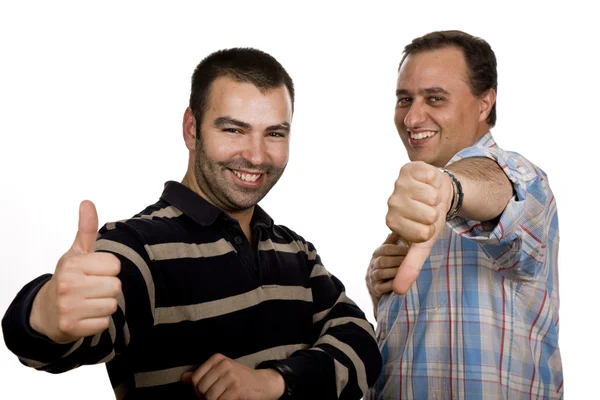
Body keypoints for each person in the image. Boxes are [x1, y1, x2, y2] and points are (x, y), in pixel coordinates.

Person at [2, 47, 382, 399]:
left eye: (274, 134)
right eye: (233, 129)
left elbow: (363, 346)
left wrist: (274, 381)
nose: (255, 155)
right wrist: (46, 315)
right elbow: (58, 337)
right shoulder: (137, 247)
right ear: (191, 129)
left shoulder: (295, 251)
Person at [365, 31, 563, 399]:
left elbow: (495, 186)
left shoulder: (523, 180)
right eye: (404, 99)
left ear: (485, 103)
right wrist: (382, 299)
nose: (411, 117)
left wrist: (451, 189)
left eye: (435, 98)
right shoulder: (415, 207)